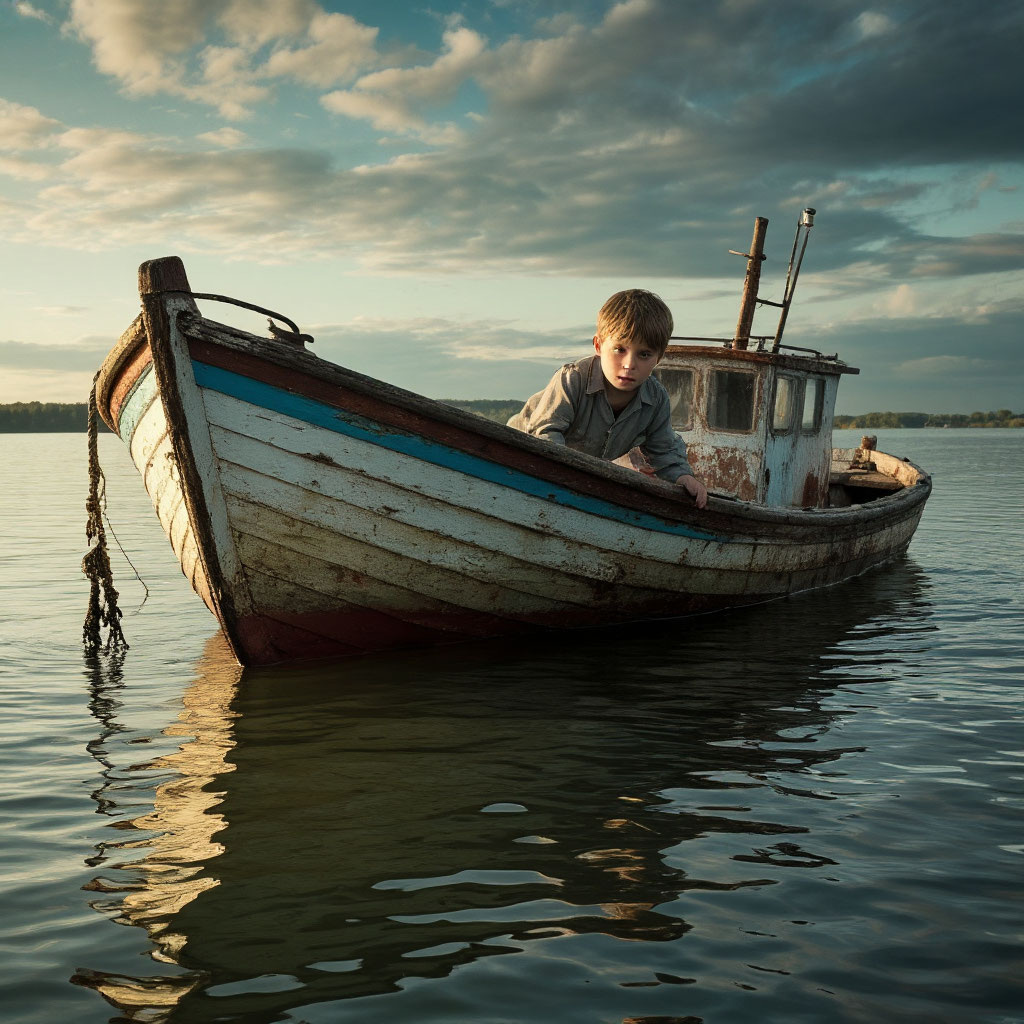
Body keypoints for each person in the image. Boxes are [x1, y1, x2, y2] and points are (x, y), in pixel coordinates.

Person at [508, 289, 708, 509]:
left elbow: (664, 451)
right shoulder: (572, 379)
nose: (629, 364)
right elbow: (544, 434)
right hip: (517, 452)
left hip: (569, 472)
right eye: (619, 349)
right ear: (598, 346)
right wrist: (567, 476)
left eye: (644, 354)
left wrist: (683, 477)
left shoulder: (656, 400)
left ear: (658, 358)